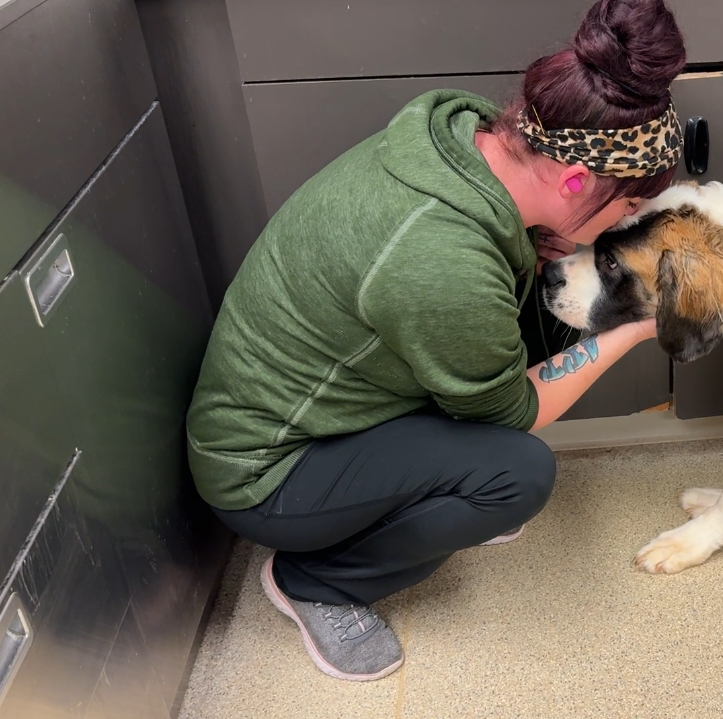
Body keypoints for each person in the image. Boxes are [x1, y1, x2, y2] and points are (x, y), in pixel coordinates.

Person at [184, 0, 687, 682]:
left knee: (537, 312)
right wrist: (632, 325)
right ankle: (319, 580)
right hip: (265, 472)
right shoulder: (439, 255)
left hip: (330, 401)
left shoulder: (469, 138)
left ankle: (415, 501)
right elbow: (518, 413)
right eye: (628, 206)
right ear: (575, 180)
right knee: (516, 474)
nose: (630, 222)